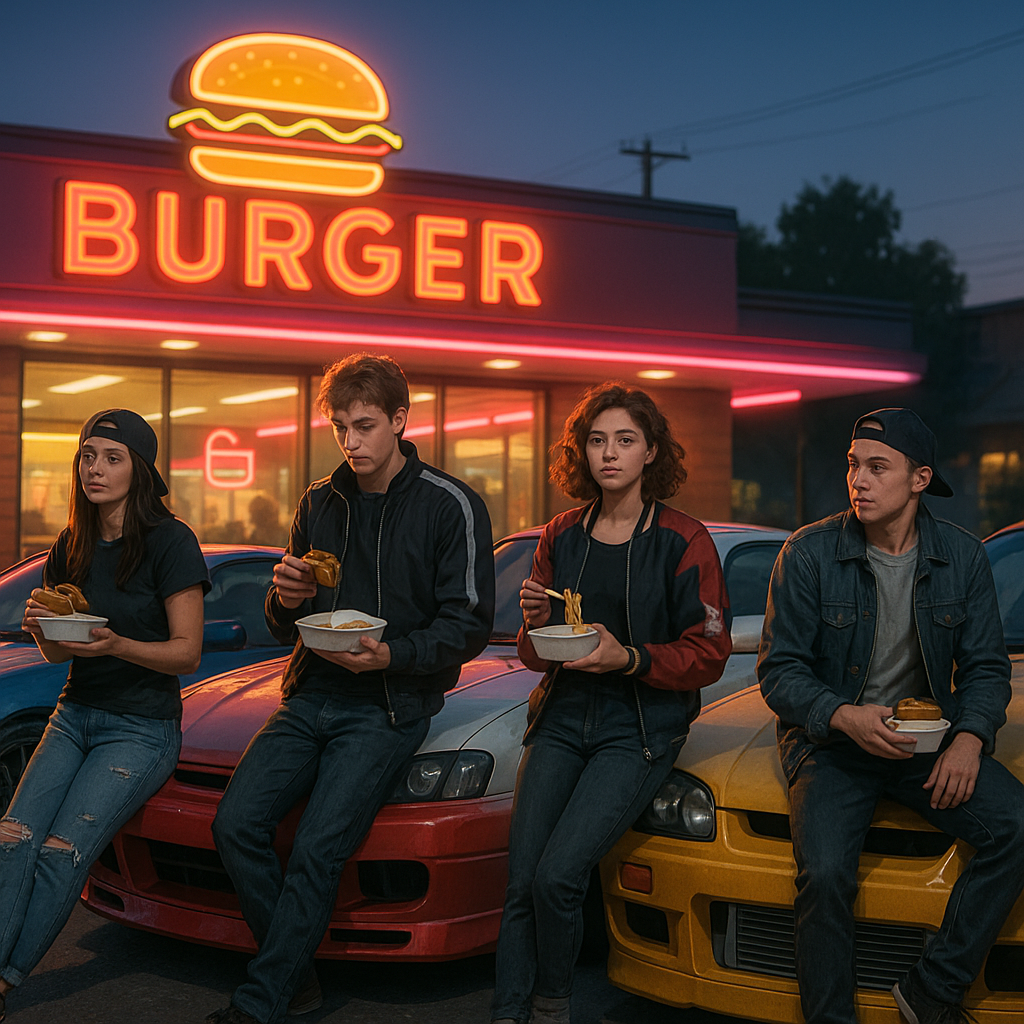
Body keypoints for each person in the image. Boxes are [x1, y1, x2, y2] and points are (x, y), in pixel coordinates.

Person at [206, 354, 494, 1024]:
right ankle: (296, 977)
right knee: (234, 825)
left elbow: (468, 624)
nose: (351, 441)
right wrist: (285, 598)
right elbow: (288, 622)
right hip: (310, 693)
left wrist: (392, 655)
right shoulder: (318, 501)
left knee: (316, 849)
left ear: (400, 420)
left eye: (364, 426)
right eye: (340, 427)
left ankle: (262, 1001)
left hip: (388, 705)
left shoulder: (449, 504)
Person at [757, 407, 1024, 1024]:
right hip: (833, 744)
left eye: (878, 467)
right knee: (825, 874)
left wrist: (969, 739)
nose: (859, 480)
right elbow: (780, 671)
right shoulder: (807, 553)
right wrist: (843, 716)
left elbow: (986, 668)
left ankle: (933, 989)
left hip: (927, 743)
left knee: (1017, 825)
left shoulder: (963, 556)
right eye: (853, 465)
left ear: (920, 478)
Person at [490, 383, 732, 1024]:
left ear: (651, 451)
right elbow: (536, 654)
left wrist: (629, 657)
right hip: (562, 717)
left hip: (639, 728)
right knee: (520, 883)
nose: (609, 453)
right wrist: (534, 623)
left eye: (625, 440)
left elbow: (708, 653)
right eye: (596, 440)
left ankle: (551, 1005)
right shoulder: (561, 534)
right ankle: (507, 1011)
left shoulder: (683, 539)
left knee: (558, 876)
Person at [1, 409, 209, 1021]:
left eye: (112, 458)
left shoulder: (172, 541)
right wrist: (42, 630)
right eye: (88, 456)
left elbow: (187, 653)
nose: (95, 468)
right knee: (12, 838)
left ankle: (5, 981)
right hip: (74, 715)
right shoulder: (71, 544)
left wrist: (117, 644)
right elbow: (60, 653)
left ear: (139, 470)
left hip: (141, 729)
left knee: (60, 852)